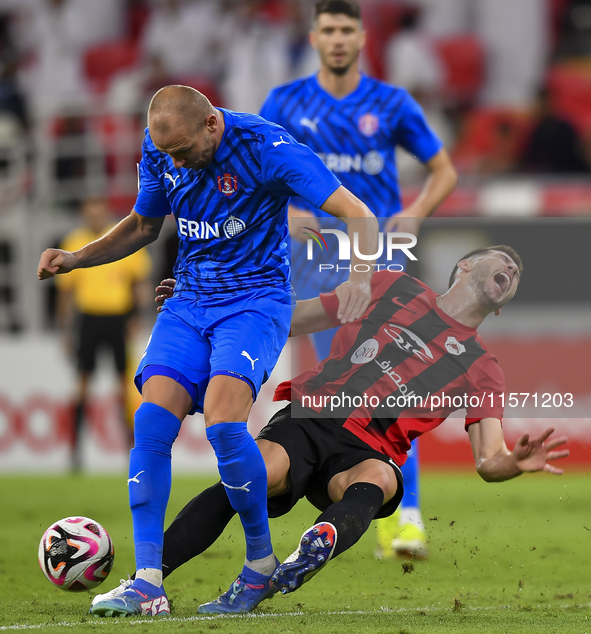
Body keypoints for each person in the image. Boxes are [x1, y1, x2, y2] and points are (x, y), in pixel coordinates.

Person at [37, 85, 378, 617]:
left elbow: (358, 213)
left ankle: (259, 566)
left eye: (182, 151)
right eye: (165, 153)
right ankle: (148, 581)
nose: (174, 162)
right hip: (189, 300)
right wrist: (78, 258)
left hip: (255, 303)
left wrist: (359, 279)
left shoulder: (268, 147)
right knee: (151, 424)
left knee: (223, 425)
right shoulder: (160, 147)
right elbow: (146, 226)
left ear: (212, 125)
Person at [151, 245, 568, 613]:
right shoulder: (392, 286)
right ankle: (148, 579)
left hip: (369, 450)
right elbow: (289, 320)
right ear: (464, 266)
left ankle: (315, 546)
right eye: (505, 261)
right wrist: (206, 308)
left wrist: (513, 462)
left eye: (516, 274)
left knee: (382, 477)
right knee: (250, 474)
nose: (512, 269)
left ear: (499, 309)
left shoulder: (484, 370)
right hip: (312, 417)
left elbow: (488, 459)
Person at [259, 0, 458, 559]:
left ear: (363, 36)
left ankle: (405, 518)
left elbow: (445, 170)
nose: (339, 39)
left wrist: (416, 210)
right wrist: (285, 211)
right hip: (314, 260)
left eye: (348, 29)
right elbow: (256, 171)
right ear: (314, 36)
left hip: (381, 254)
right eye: (329, 30)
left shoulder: (391, 103)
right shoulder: (284, 103)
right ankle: (363, 499)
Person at [55, 196, 152, 471]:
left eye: (98, 211)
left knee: (124, 388)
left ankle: (130, 452)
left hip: (118, 320)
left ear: (105, 212)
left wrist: (136, 318)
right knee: (82, 387)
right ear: (85, 213)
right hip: (89, 320)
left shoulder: (118, 239)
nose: (94, 217)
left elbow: (140, 284)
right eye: (90, 212)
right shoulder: (75, 242)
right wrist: (65, 331)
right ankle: (75, 453)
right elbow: (66, 292)